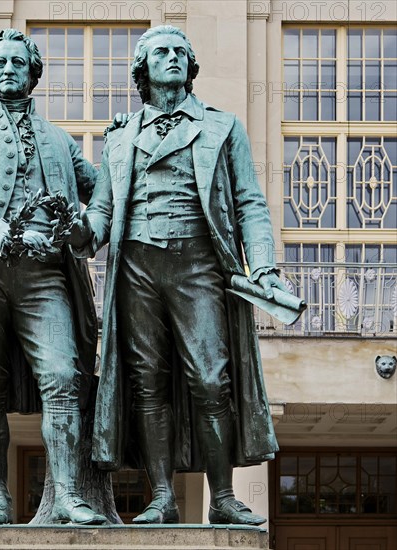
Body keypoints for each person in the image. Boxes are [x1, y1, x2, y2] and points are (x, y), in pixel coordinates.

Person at [72, 25, 285, 525]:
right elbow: (102, 211)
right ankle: (162, 497)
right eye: (160, 52)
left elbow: (250, 203)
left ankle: (224, 498)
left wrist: (265, 267)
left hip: (198, 265)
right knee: (148, 383)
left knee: (212, 380)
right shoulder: (122, 137)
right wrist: (80, 232)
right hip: (138, 268)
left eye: (179, 52)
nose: (171, 58)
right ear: (142, 68)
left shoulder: (222, 126)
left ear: (190, 66)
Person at [0, 28, 107, 525]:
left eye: (19, 62)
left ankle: (70, 495)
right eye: (0, 62)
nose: (8, 69)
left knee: (63, 377)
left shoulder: (61, 141)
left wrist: (84, 229)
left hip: (46, 275)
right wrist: (1, 232)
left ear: (34, 73)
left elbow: (102, 198)